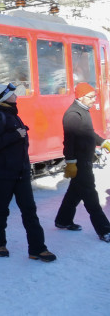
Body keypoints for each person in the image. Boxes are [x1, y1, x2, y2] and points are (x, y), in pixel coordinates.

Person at [0, 83, 56, 262]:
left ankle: (37, 249)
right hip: (4, 173)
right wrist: (16, 135)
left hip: (21, 171)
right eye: (12, 94)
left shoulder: (12, 114)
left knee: (30, 211)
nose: (16, 96)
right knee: (1, 209)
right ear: (3, 97)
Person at [54, 82, 110, 241]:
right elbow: (68, 142)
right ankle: (105, 230)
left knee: (74, 193)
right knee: (91, 196)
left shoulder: (83, 111)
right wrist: (71, 162)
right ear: (81, 97)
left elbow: (89, 134)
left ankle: (62, 220)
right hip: (79, 163)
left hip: (85, 160)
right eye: (91, 97)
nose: (94, 100)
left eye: (95, 97)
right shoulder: (73, 115)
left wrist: (103, 141)